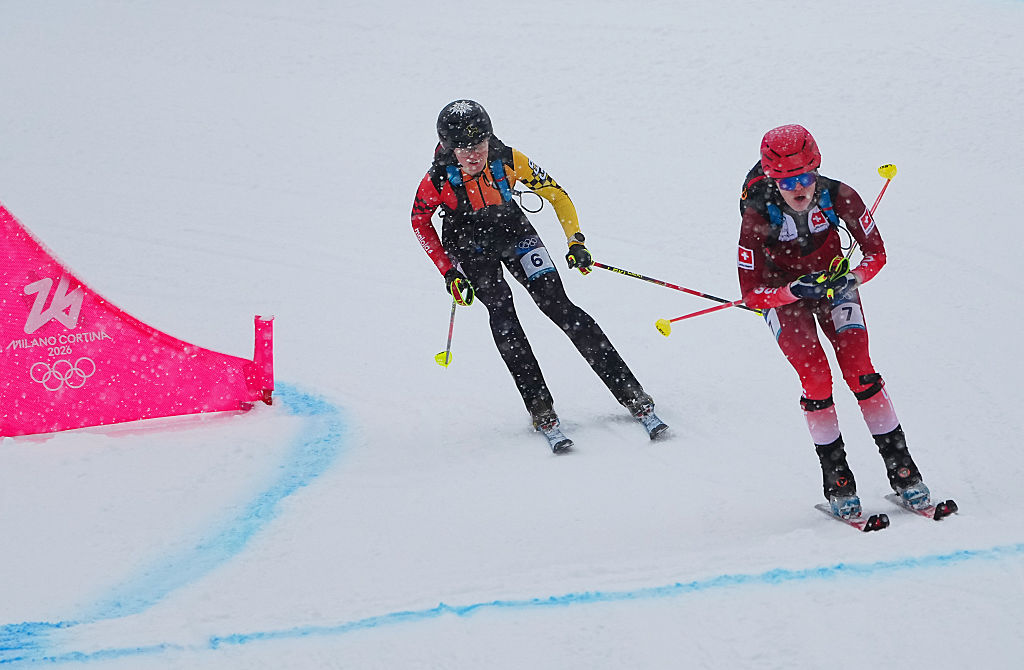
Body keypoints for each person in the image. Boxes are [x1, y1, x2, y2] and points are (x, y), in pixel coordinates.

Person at [411, 99, 667, 451]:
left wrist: (575, 241)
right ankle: (540, 407)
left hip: (514, 233)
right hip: (470, 248)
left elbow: (558, 195)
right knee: (504, 316)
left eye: (480, 145)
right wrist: (448, 270)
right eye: (465, 148)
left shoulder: (508, 158)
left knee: (560, 306)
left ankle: (631, 393)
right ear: (449, 147)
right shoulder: (436, 179)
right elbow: (419, 222)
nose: (474, 155)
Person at [736, 124, 930, 518]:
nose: (798, 189)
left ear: (818, 170)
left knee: (861, 372)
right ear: (772, 179)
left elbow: (876, 255)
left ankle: (904, 470)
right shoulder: (757, 213)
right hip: (784, 298)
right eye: (787, 180)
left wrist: (852, 277)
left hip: (834, 285)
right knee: (816, 378)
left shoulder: (839, 195)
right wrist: (793, 291)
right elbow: (752, 295)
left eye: (806, 177)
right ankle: (837, 480)